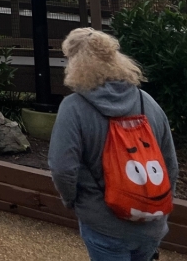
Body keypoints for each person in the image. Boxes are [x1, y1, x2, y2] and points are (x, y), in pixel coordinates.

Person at [49, 28, 178, 261]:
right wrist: (158, 207)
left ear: (75, 62)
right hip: (151, 225)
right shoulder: (146, 101)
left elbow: (62, 168)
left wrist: (73, 201)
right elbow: (170, 163)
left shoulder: (74, 107)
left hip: (104, 224)